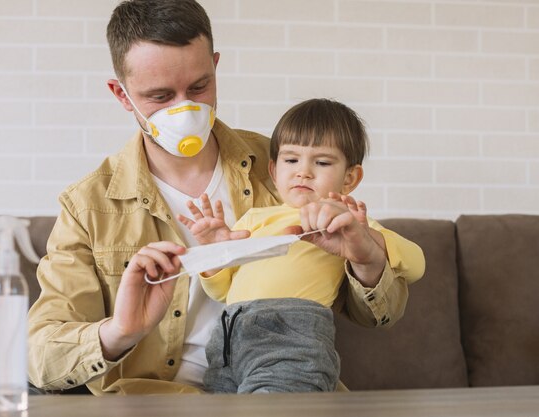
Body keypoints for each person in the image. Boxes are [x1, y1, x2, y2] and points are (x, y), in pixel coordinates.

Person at [27, 0, 417, 395]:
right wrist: (120, 331)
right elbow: (40, 357)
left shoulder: (288, 169)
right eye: (160, 97)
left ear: (215, 66)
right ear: (122, 94)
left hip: (283, 384)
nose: (185, 110)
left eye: (199, 87)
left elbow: (379, 315)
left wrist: (367, 257)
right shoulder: (87, 206)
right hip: (155, 402)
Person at [177, 98, 425, 393]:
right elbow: (222, 291)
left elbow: (417, 262)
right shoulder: (254, 219)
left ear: (350, 178)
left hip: (291, 335)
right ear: (273, 170)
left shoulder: (345, 222)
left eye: (321, 162)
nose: (303, 172)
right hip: (228, 342)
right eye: (291, 160)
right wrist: (215, 253)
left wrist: (368, 242)